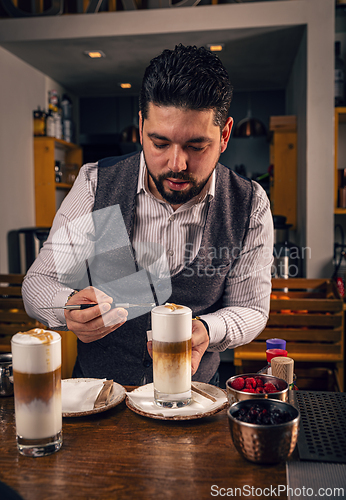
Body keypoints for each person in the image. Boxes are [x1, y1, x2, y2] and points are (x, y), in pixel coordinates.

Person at [22, 44, 273, 386]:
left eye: (196, 146)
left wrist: (205, 330)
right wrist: (68, 307)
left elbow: (252, 310)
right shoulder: (97, 184)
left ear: (225, 135)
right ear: (141, 127)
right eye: (159, 143)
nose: (176, 164)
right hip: (100, 400)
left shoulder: (249, 203)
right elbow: (38, 283)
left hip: (195, 400)